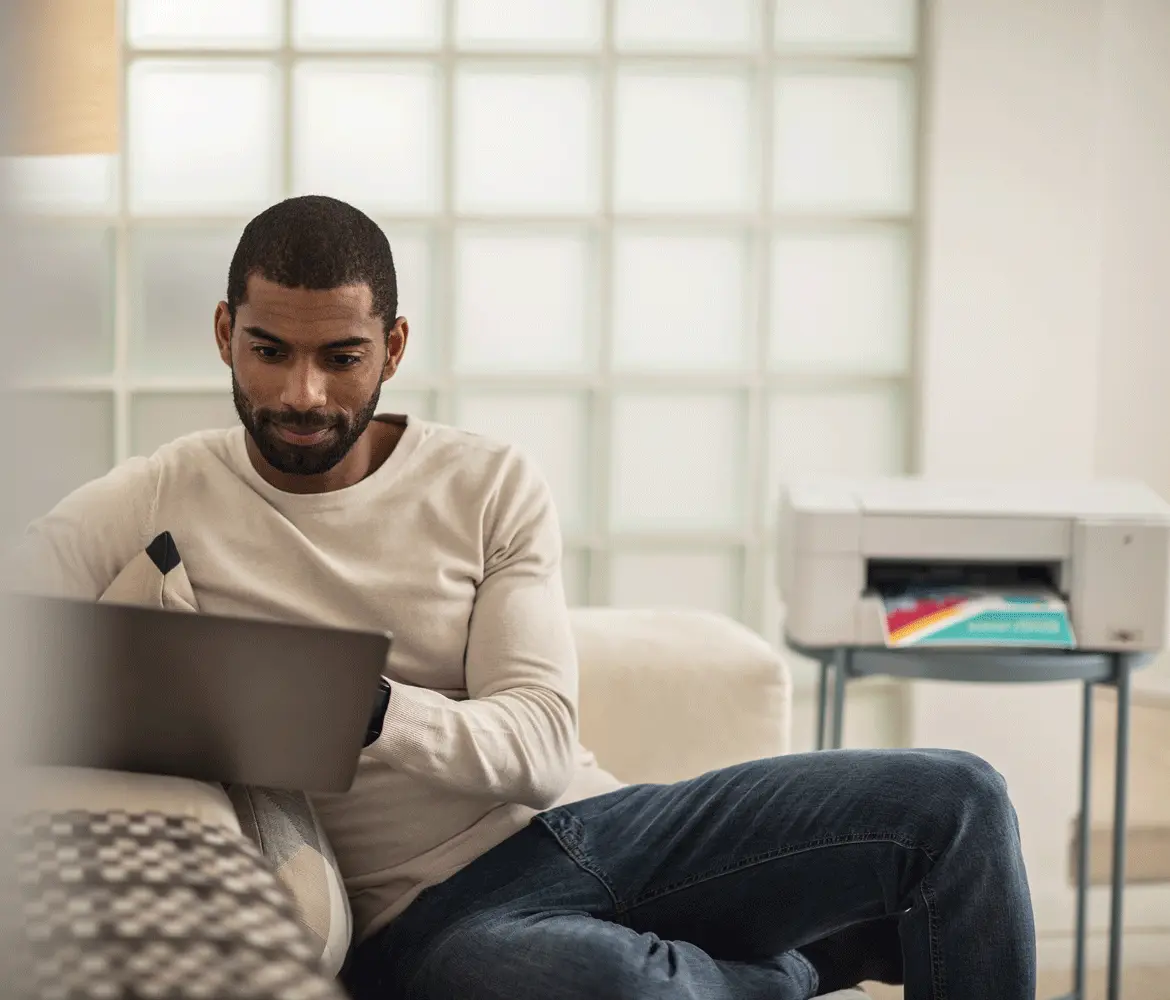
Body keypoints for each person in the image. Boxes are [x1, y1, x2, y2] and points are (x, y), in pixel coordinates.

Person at [15, 196, 1036, 1000]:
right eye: (270, 350)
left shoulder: (487, 481)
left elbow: (543, 739)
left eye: (342, 357)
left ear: (397, 346)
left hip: (599, 827)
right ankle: (797, 967)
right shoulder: (165, 488)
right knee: (582, 984)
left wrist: (366, 710)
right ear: (224, 332)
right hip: (434, 927)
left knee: (957, 798)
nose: (302, 395)